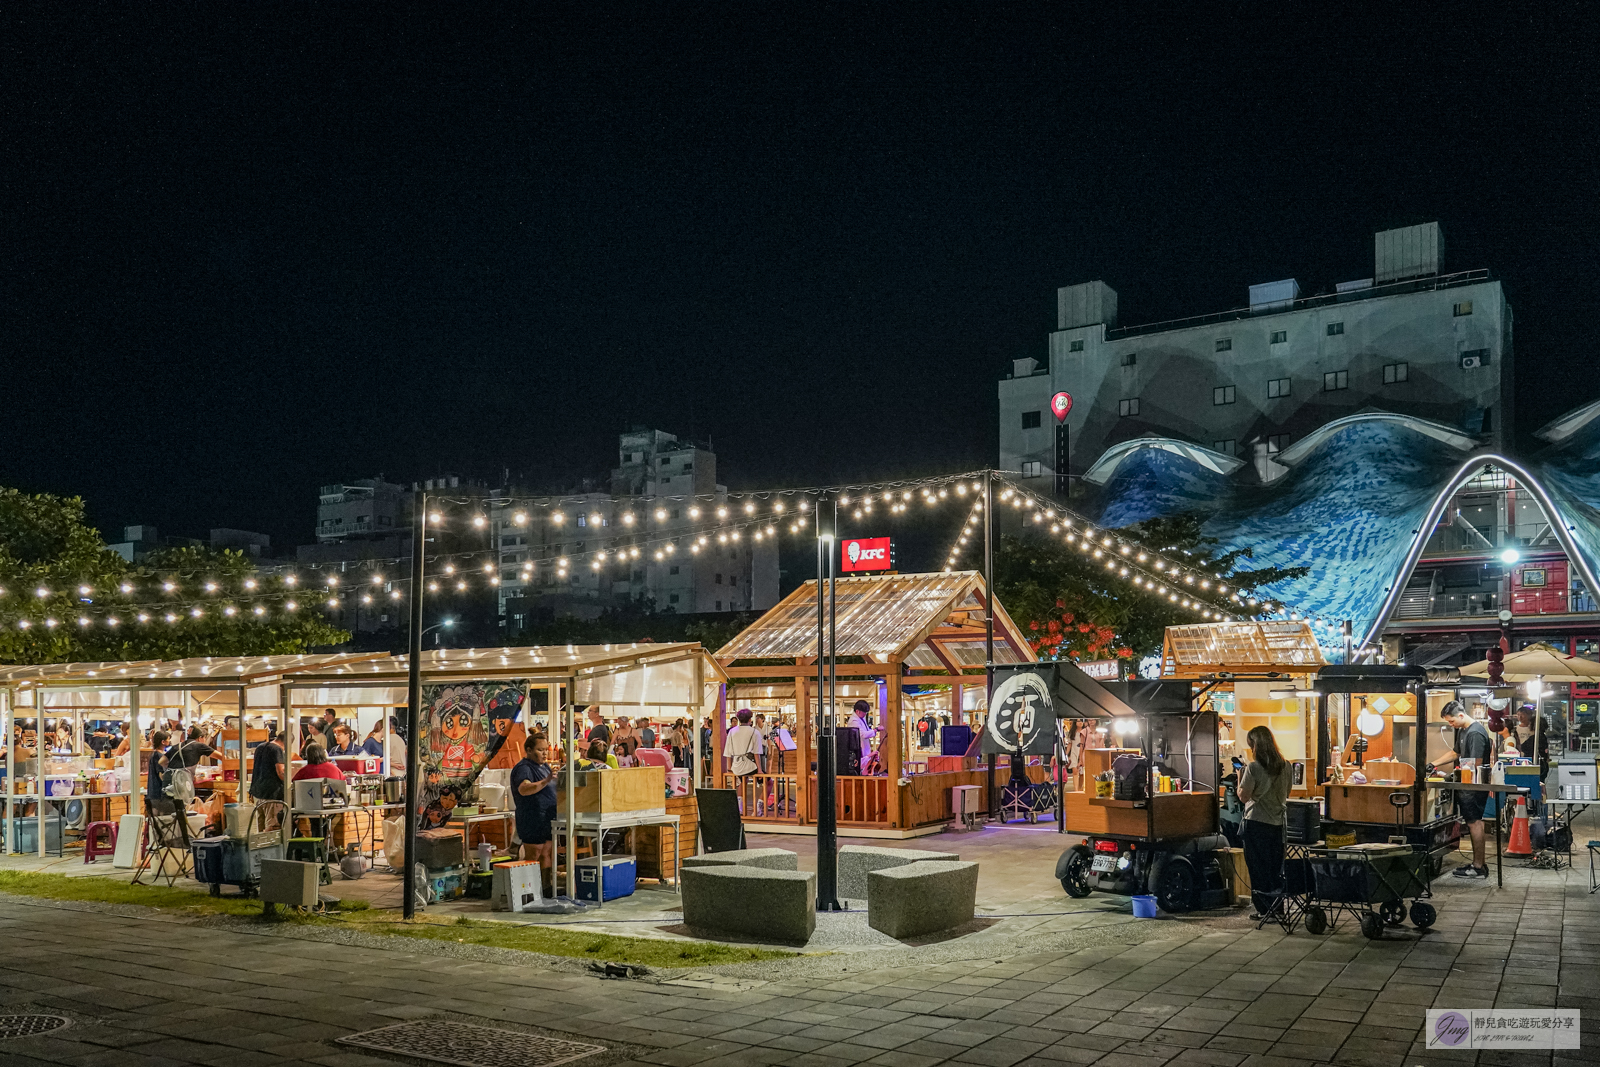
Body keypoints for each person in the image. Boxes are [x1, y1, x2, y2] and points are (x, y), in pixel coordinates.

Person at [1237, 725, 1293, 920]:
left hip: (1256, 824)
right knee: (1275, 868)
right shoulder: (1286, 765)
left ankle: (1263, 910)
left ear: (1255, 746)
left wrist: (1239, 778)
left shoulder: (1253, 768)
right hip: (1278, 824)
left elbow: (1244, 797)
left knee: (1258, 868)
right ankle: (1277, 908)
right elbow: (1287, 793)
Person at [1435, 701, 1493, 880]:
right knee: (1473, 822)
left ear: (1461, 715)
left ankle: (1478, 867)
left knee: (1475, 822)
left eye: (1451, 721)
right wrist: (1433, 764)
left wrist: (1454, 775)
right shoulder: (1463, 730)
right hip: (1467, 784)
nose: (1450, 725)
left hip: (1473, 786)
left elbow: (1475, 763)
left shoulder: (1475, 732)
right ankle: (1479, 863)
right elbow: (1456, 753)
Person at [512, 734, 558, 897]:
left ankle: (545, 889)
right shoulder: (524, 768)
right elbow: (524, 789)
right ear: (529, 750)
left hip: (547, 818)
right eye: (540, 750)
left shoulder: (544, 766)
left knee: (546, 852)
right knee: (534, 854)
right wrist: (546, 781)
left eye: (546, 750)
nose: (545, 753)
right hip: (532, 817)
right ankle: (528, 891)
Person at [249, 725, 286, 830]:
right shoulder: (277, 749)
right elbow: (281, 771)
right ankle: (271, 846)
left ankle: (260, 846)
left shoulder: (260, 746)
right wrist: (290, 781)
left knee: (260, 826)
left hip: (258, 793)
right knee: (272, 826)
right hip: (272, 794)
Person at [726, 709, 762, 779]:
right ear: (749, 719)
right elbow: (756, 753)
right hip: (750, 766)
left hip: (736, 767)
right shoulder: (755, 732)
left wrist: (729, 769)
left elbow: (728, 752)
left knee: (740, 781)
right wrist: (759, 770)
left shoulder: (732, 731)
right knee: (768, 782)